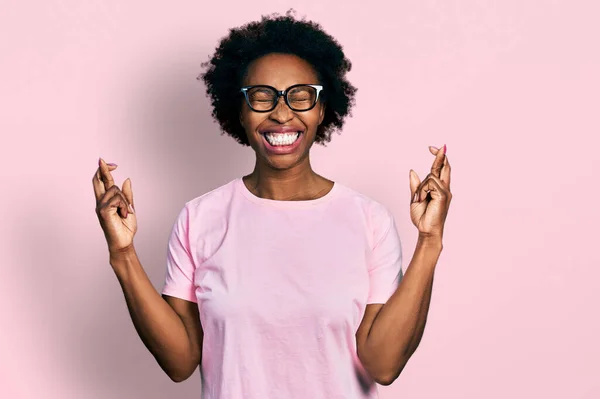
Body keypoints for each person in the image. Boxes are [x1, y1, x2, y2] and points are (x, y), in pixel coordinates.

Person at [92, 10, 452, 399]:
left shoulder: (369, 220)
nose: (282, 113)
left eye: (300, 96)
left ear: (321, 109)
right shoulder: (200, 218)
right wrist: (123, 253)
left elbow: (383, 365)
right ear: (241, 112)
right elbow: (180, 362)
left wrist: (429, 241)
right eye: (262, 97)